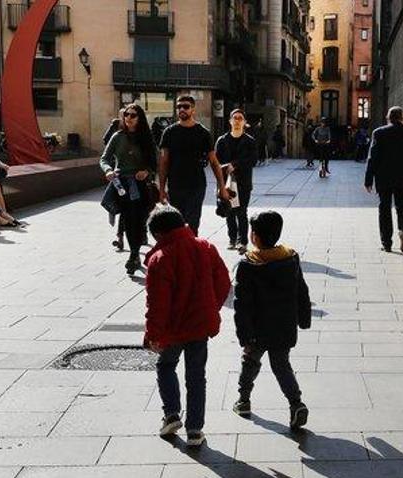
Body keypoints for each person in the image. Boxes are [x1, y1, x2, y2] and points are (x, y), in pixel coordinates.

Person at [143, 204, 231, 448]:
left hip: (173, 329)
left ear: (158, 234)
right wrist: (212, 307)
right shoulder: (206, 247)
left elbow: (156, 304)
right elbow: (223, 282)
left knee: (166, 365)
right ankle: (195, 430)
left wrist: (153, 335)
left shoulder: (160, 259)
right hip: (200, 326)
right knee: (196, 376)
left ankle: (171, 414)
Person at [232, 211, 311, 429]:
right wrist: (304, 318)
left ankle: (244, 400)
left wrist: (244, 334)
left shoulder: (248, 265)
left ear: (254, 236)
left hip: (257, 329)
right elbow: (301, 290)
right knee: (281, 365)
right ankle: (296, 404)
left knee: (250, 362)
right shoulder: (290, 257)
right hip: (284, 326)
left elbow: (242, 304)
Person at [158, 95, 229, 237]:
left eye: (185, 106)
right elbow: (164, 162)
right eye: (179, 107)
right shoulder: (169, 132)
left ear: (193, 110)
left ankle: (191, 253)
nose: (182, 109)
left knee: (193, 224)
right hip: (175, 185)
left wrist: (222, 188)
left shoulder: (203, 133)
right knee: (176, 224)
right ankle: (179, 254)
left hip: (196, 185)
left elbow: (214, 162)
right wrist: (161, 189)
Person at [100, 104, 158, 275]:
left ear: (139, 118)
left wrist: (146, 171)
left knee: (139, 220)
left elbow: (154, 163)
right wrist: (108, 170)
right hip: (122, 184)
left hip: (141, 185)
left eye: (133, 115)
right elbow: (104, 158)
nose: (129, 118)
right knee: (127, 218)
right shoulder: (118, 137)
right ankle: (133, 255)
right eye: (127, 115)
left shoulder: (146, 138)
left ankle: (135, 252)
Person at [364, 107, 403, 253]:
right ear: (401, 117)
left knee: (384, 208)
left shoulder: (379, 133)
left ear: (388, 117)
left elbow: (373, 157)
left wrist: (368, 179)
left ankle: (386, 243)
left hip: (383, 176)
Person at [214, 109, 258, 254]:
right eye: (235, 118)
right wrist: (226, 167)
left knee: (241, 211)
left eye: (240, 118)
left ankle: (242, 242)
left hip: (243, 182)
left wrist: (236, 164)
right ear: (230, 121)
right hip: (225, 182)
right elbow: (215, 162)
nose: (237, 120)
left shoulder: (250, 141)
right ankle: (232, 239)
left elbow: (253, 160)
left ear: (244, 122)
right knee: (229, 211)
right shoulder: (222, 141)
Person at [102, 113, 126, 251]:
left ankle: (141, 233)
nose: (127, 118)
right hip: (116, 174)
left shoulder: (140, 132)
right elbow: (105, 140)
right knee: (121, 206)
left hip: (136, 177)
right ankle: (120, 237)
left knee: (134, 210)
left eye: (130, 115)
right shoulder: (116, 128)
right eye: (124, 115)